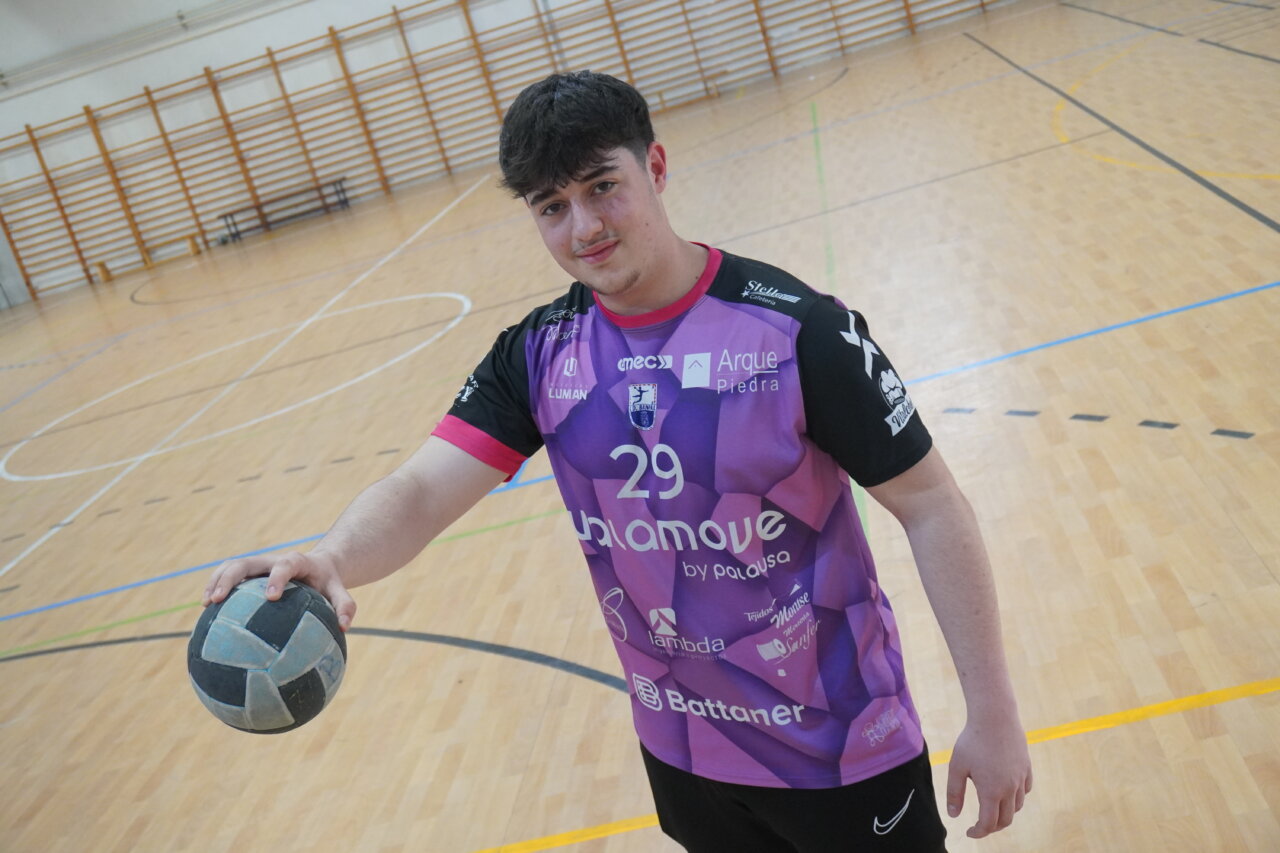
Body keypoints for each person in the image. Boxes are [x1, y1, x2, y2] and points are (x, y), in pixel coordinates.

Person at [203, 70, 1031, 851]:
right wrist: (333, 556)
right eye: (552, 206)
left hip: (842, 750)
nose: (585, 228)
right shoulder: (537, 355)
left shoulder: (797, 332)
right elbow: (421, 488)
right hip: (686, 756)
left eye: (603, 186)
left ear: (655, 167)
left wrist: (992, 712)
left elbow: (932, 505)